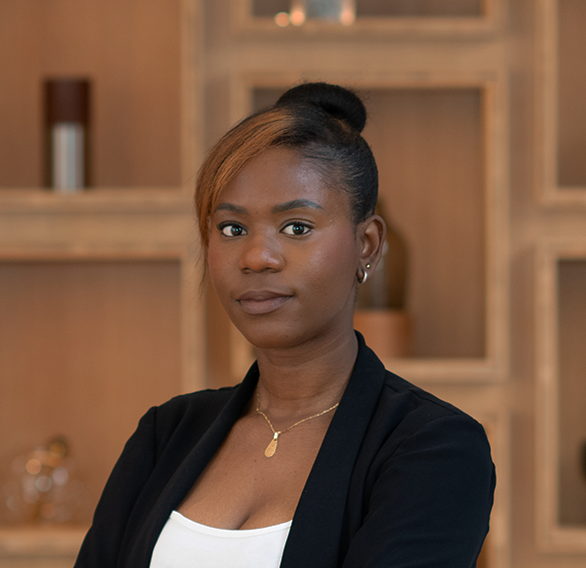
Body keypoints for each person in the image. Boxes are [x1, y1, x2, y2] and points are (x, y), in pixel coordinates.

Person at [74, 82, 495, 568]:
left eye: (296, 227)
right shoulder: (165, 434)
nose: (257, 257)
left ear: (368, 245)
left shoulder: (435, 448)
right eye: (232, 228)